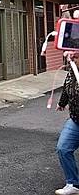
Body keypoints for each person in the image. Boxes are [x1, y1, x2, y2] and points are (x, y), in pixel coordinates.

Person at [56, 49, 79, 195]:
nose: (73, 59)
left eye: (76, 57)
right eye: (72, 56)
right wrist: (62, 103)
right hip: (76, 119)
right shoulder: (72, 70)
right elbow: (67, 85)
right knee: (63, 148)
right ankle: (73, 183)